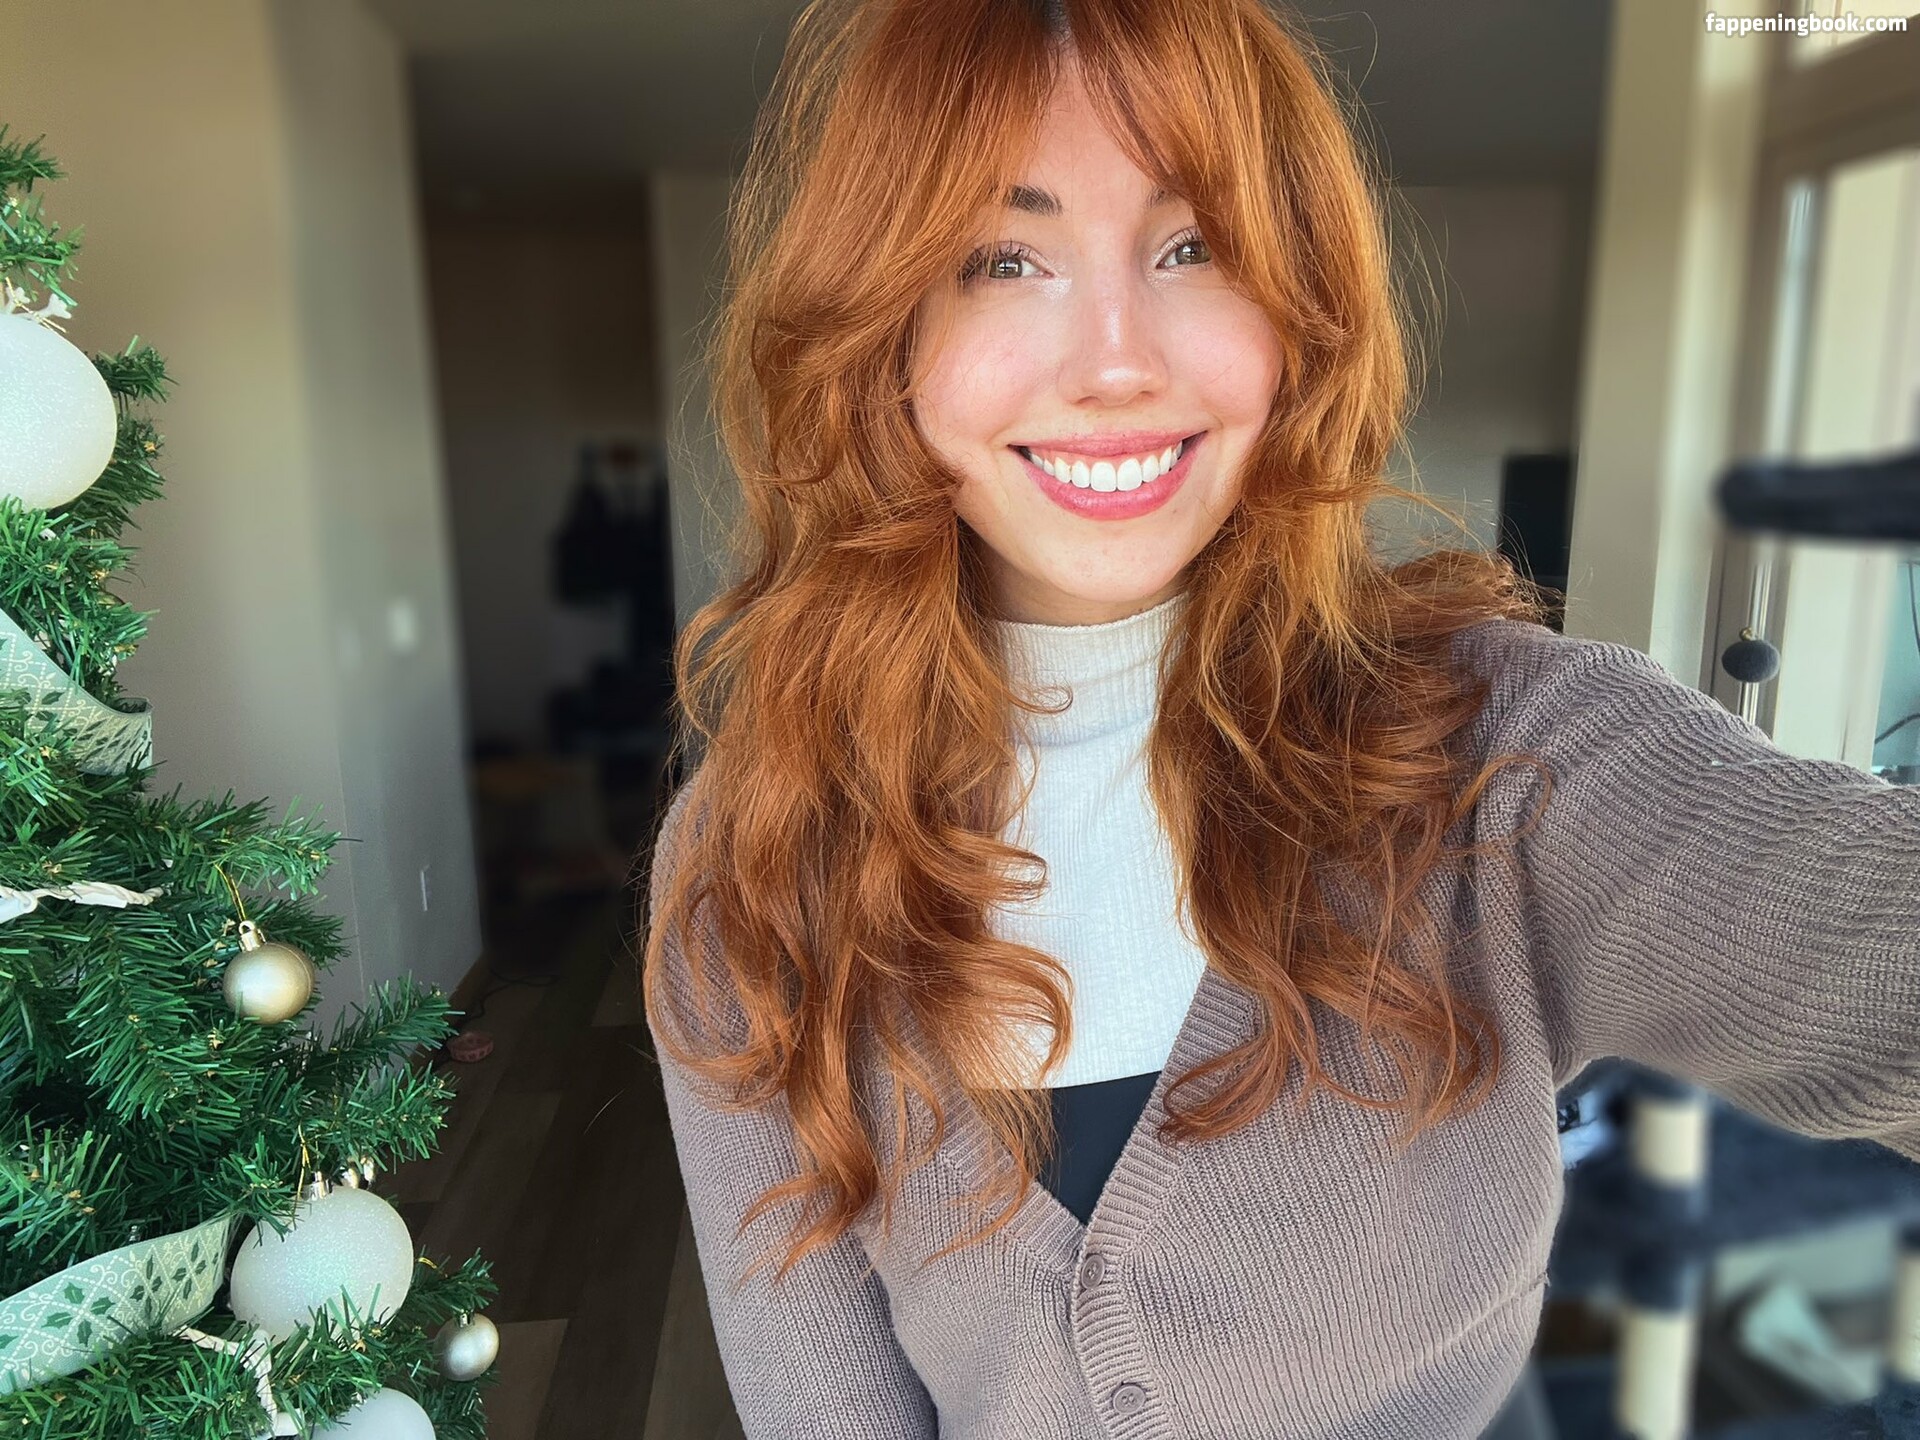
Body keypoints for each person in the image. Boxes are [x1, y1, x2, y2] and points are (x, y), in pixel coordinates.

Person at [639, 0, 1920, 1435]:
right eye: (1002, 259)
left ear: (1295, 304)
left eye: (1194, 247)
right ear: (885, 336)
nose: (1117, 361)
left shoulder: (1503, 762)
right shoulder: (750, 865)